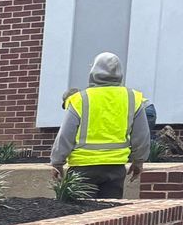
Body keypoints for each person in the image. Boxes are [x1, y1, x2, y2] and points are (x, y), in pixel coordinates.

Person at [50, 51, 153, 198]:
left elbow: (66, 135)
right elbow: (141, 135)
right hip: (115, 169)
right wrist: (139, 161)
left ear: (93, 72)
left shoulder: (80, 99)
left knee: (81, 216)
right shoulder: (132, 98)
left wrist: (57, 162)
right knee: (108, 213)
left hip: (82, 167)